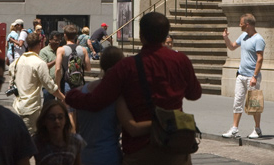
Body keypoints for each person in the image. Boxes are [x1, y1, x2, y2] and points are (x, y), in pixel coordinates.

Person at [66, 12, 202, 163]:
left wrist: (72, 95)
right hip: (174, 144)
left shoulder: (127, 66)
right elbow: (194, 94)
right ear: (166, 35)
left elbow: (97, 100)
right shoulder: (181, 60)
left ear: (141, 35)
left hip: (141, 149)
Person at [75, 47, 125, 165]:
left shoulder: (82, 92)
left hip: (84, 155)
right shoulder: (118, 94)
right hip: (109, 154)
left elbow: (77, 127)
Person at [9, 32, 66, 134]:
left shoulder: (17, 61)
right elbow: (50, 86)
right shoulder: (39, 63)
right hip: (31, 109)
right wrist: (63, 98)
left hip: (17, 107)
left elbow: (10, 71)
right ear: (40, 44)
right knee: (29, 140)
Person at [221, 13, 265, 139]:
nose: (239, 25)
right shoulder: (244, 36)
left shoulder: (258, 39)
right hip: (241, 75)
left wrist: (254, 76)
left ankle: (257, 129)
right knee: (237, 102)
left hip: (252, 77)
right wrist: (225, 38)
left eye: (241, 23)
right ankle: (234, 129)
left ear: (247, 24)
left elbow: (260, 59)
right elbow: (232, 47)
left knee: (254, 103)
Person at [56, 25, 92, 128]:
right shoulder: (83, 50)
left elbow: (58, 68)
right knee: (78, 111)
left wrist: (58, 86)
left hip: (67, 83)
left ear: (65, 36)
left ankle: (72, 138)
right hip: (80, 83)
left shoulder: (61, 50)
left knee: (69, 111)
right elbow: (88, 68)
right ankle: (78, 135)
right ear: (76, 36)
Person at [34, 101, 85, 165]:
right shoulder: (36, 143)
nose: (57, 121)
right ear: (44, 121)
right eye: (51, 118)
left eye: (60, 117)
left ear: (66, 119)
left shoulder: (75, 141)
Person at [40, 31, 62, 103]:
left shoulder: (61, 50)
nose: (57, 42)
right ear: (50, 40)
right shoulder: (44, 51)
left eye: (59, 40)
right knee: (48, 105)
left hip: (60, 83)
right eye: (55, 40)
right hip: (48, 84)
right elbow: (44, 66)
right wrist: (56, 60)